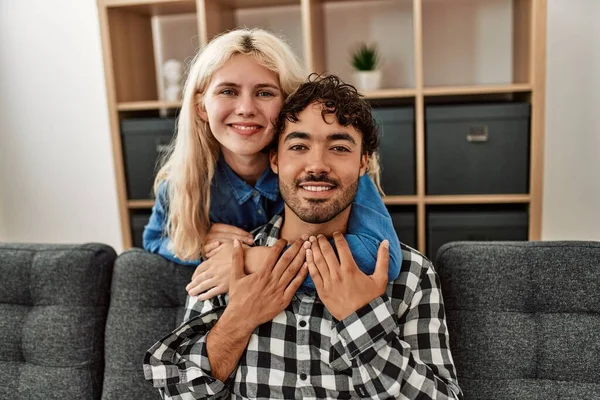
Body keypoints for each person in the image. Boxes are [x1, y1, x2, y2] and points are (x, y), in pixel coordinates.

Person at [143, 75, 463, 399]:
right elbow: (180, 392)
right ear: (276, 160)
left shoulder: (412, 274)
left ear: (363, 162)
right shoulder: (228, 265)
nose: (317, 165)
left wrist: (361, 319)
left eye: (339, 147)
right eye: (298, 146)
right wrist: (238, 321)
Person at [142, 28, 403, 298]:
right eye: (228, 91)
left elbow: (380, 258)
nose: (246, 108)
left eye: (265, 93)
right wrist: (198, 246)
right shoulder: (185, 180)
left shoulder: (323, 176)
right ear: (202, 107)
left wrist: (251, 259)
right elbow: (153, 239)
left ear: (289, 104)